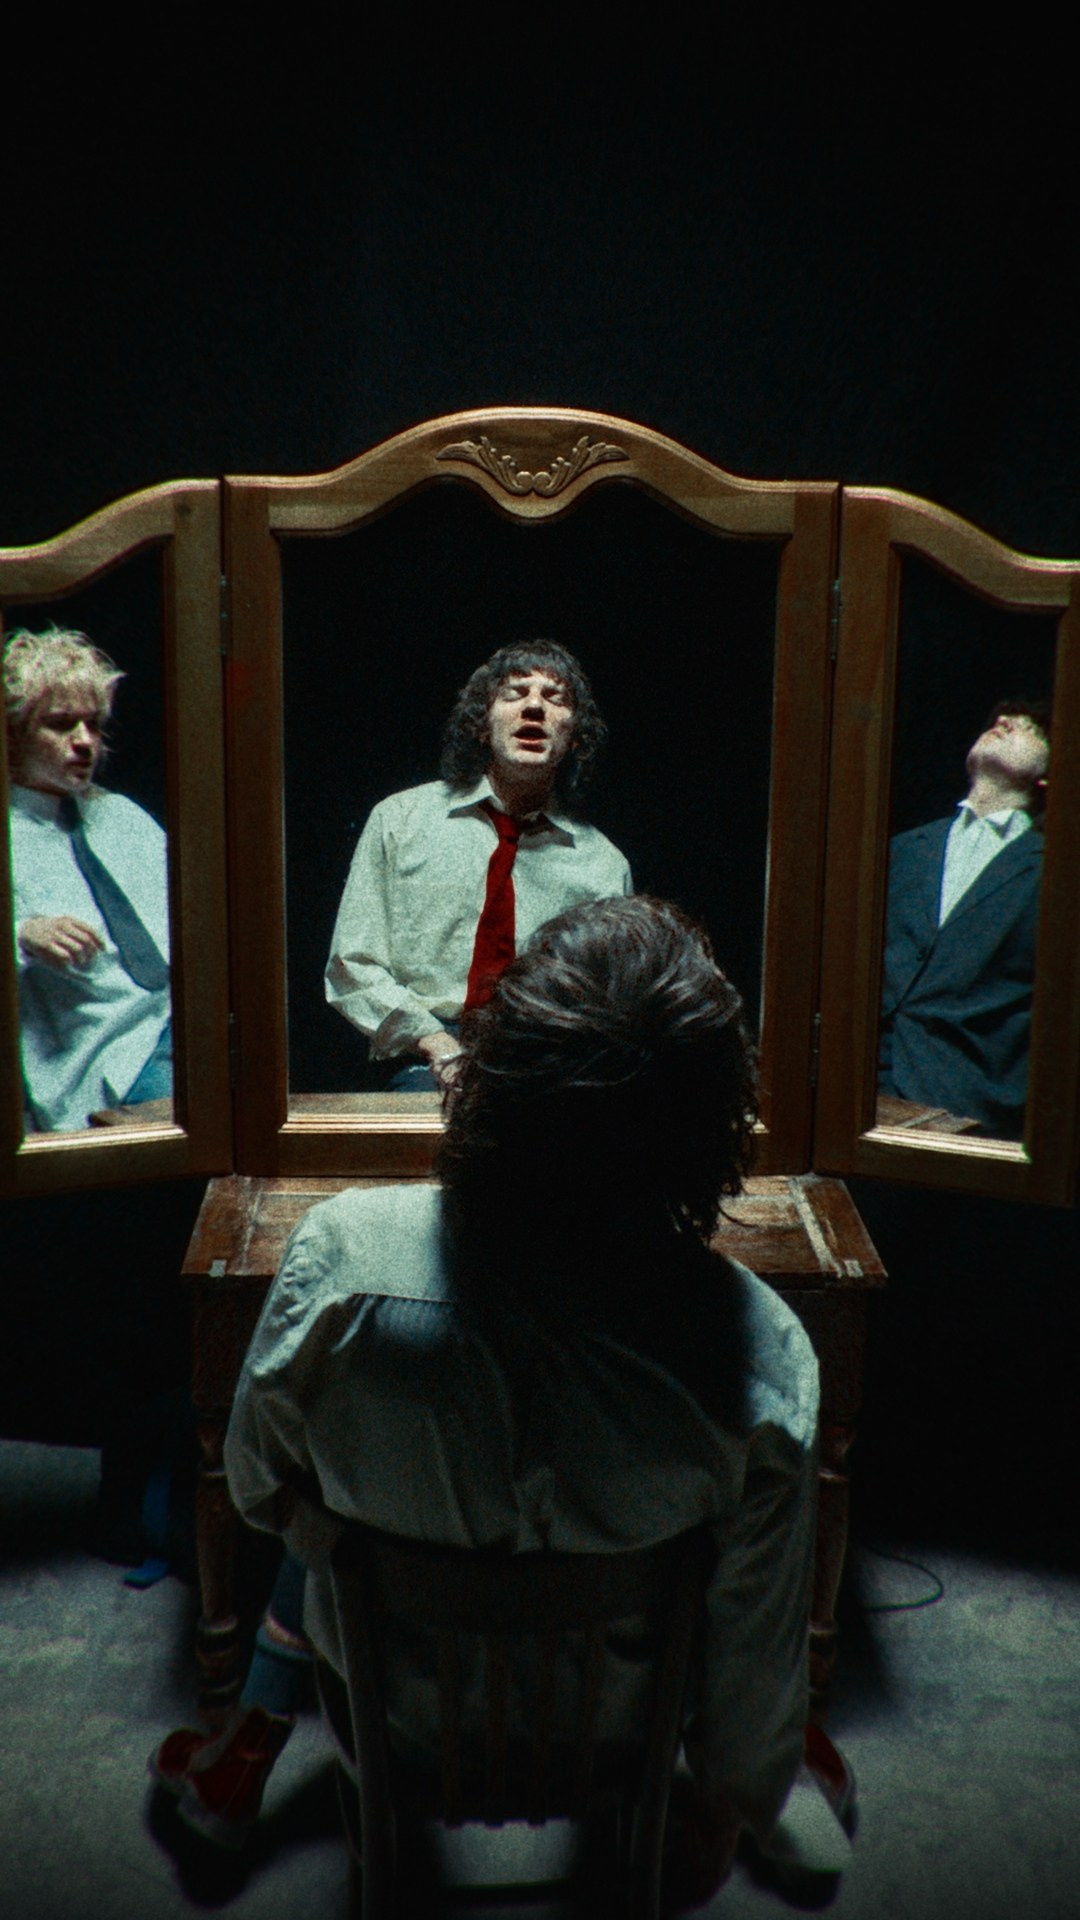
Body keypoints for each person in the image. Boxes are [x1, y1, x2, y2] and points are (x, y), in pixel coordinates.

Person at [151, 896, 852, 1899]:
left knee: (326, 1482)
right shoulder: (764, 1352)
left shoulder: (342, 1263)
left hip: (393, 1718)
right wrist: (732, 1795)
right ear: (710, 1123)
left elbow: (257, 1488)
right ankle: (776, 1787)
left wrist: (350, 1520)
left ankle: (249, 1743)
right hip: (623, 1731)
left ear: (493, 1071)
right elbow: (752, 1634)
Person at [325, 640, 631, 1089]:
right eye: (514, 693)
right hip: (423, 1052)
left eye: (555, 698)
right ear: (483, 726)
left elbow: (609, 1004)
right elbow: (353, 963)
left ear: (574, 738)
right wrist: (433, 1041)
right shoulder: (401, 820)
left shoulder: (602, 865)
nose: (534, 707)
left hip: (548, 1062)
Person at [4, 627, 172, 1132]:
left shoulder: (122, 817)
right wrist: (20, 933)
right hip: (106, 1055)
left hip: (182, 1025)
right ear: (12, 733)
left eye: (93, 725)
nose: (84, 742)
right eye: (60, 724)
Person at [879, 696, 1051, 1137]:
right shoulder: (903, 849)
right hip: (862, 1101)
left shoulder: (1054, 872)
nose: (1005, 722)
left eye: (1028, 727)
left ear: (1048, 776)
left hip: (971, 1112)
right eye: (1001, 718)